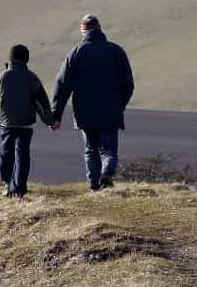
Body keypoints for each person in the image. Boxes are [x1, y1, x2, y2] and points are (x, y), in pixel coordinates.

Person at [50, 14, 135, 190]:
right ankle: (107, 174)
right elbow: (128, 85)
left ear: (83, 31)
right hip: (110, 111)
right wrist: (120, 105)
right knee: (109, 150)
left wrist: (56, 115)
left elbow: (62, 84)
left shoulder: (76, 52)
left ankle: (94, 184)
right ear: (100, 29)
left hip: (84, 112)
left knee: (90, 149)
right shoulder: (116, 51)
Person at [0, 44, 55, 197]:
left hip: (7, 124)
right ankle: (19, 188)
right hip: (26, 124)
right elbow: (42, 102)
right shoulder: (31, 77)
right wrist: (50, 122)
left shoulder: (1, 77)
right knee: (22, 154)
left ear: (10, 59)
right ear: (26, 59)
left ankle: (6, 183)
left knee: (6, 153)